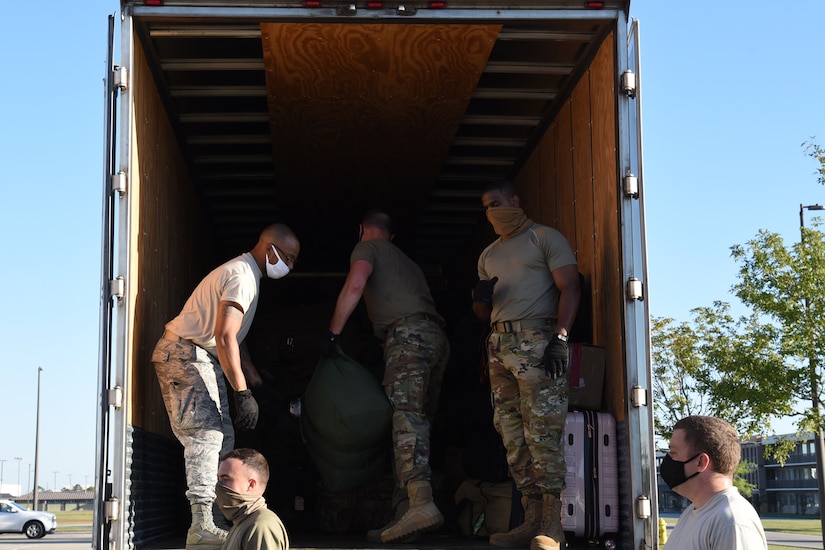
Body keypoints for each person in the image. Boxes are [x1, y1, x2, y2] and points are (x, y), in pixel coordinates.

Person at [152, 224, 300, 549]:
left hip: (203, 358)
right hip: (185, 353)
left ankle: (216, 521)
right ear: (270, 249)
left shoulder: (249, 277)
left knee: (225, 438)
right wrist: (242, 392)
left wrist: (255, 381)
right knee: (206, 436)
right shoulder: (242, 276)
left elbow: (236, 338)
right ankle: (201, 524)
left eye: (293, 261)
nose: (289, 266)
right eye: (287, 258)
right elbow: (224, 335)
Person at [322, 209, 450, 543]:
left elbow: (356, 283)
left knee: (406, 422)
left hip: (408, 337)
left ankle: (420, 503)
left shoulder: (367, 248)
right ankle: (405, 513)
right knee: (417, 423)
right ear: (392, 236)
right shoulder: (407, 262)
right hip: (435, 339)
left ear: (361, 229)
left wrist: (333, 333)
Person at [471, 179, 580, 550]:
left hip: (537, 340)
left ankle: (552, 526)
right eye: (486, 207)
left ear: (515, 200)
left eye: (496, 202)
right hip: (498, 343)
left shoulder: (544, 238)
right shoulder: (487, 255)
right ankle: (531, 520)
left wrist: (561, 337)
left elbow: (570, 286)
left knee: (542, 433)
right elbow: (482, 313)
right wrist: (479, 299)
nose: (491, 211)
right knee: (512, 435)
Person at [662, 416, 767, 550]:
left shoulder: (730, 522)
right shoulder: (692, 513)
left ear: (701, 462)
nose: (668, 458)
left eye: (673, 452)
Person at [216, 448, 289, 550]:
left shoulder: (261, 526)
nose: (219, 485)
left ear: (251, 485)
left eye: (225, 479)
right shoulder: (242, 522)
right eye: (219, 479)